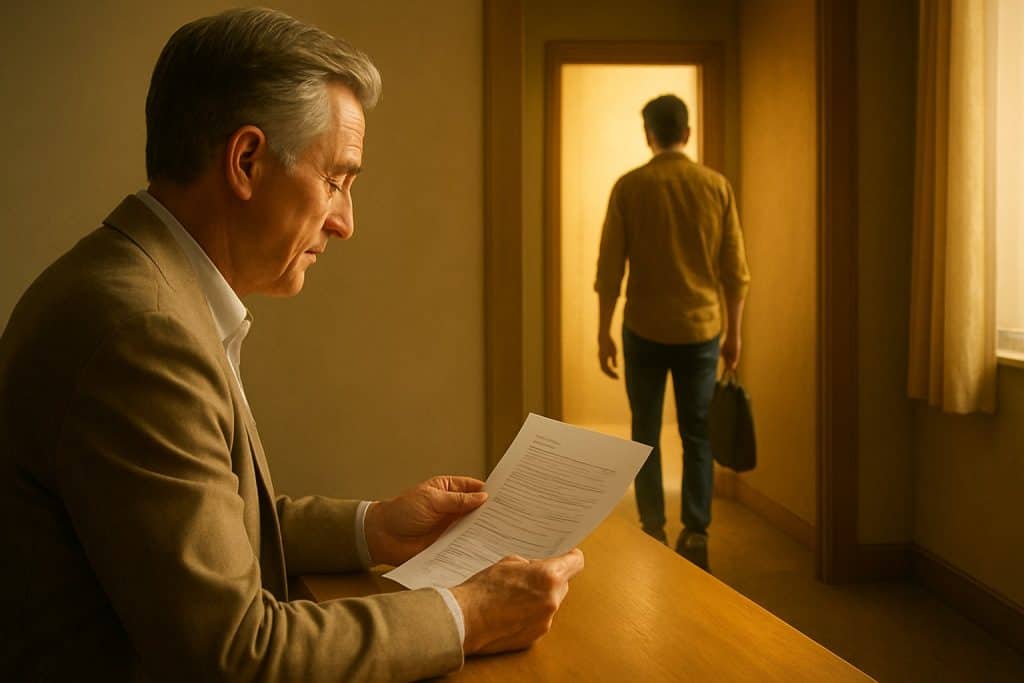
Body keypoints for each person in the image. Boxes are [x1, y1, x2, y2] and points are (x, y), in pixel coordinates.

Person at [0, 8, 583, 681]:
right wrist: (466, 613)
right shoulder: (144, 332)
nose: (345, 222)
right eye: (336, 179)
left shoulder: (135, 285)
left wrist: (377, 528)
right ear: (246, 161)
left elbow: (199, 523)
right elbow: (237, 652)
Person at [594, 94, 750, 572]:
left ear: (650, 134)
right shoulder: (715, 187)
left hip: (643, 326)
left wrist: (603, 333)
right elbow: (735, 271)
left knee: (644, 432)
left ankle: (653, 526)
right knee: (697, 433)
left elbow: (609, 269)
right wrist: (734, 333)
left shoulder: (630, 187)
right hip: (701, 329)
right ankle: (697, 530)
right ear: (687, 132)